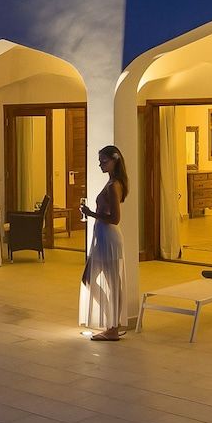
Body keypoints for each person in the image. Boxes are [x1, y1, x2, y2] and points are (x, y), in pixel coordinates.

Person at [78, 145, 129, 340]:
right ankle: (112, 320)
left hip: (109, 237)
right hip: (103, 236)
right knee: (89, 278)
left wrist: (91, 213)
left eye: (104, 161)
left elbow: (115, 218)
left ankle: (113, 326)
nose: (100, 164)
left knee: (112, 283)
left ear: (114, 161)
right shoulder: (111, 183)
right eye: (100, 161)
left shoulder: (114, 185)